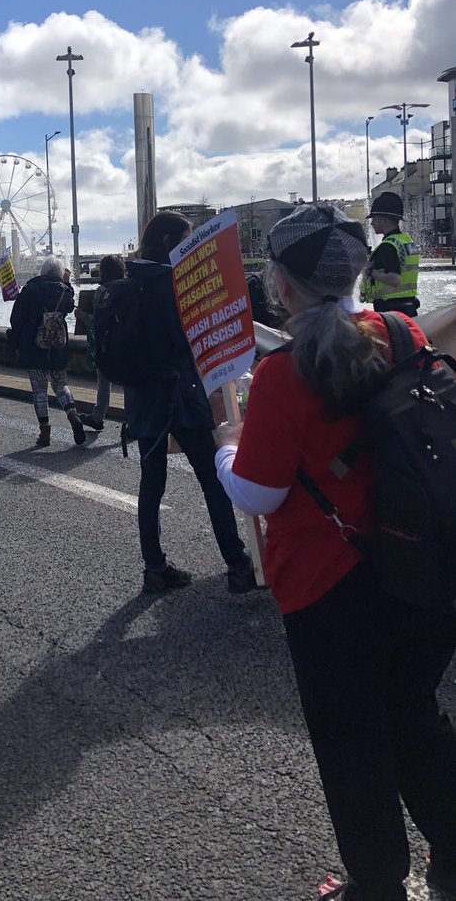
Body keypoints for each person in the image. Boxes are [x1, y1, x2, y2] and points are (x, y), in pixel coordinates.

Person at [214, 202, 456, 901]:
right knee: (415, 715)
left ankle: (377, 883)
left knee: (351, 738)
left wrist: (228, 447)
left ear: (281, 287)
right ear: (356, 270)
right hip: (422, 564)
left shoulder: (285, 376)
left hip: (329, 584)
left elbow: (258, 495)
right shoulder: (403, 332)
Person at [124, 213, 255, 594]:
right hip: (177, 396)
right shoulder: (170, 283)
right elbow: (186, 341)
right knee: (213, 478)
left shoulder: (131, 280)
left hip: (143, 399)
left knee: (152, 485)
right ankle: (237, 563)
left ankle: (154, 568)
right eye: (184, 240)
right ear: (168, 242)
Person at [8, 255, 86, 447]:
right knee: (61, 384)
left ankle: (44, 433)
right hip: (58, 346)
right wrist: (67, 284)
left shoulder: (29, 290)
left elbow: (16, 319)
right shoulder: (64, 291)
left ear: (42, 271)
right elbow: (69, 306)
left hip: (34, 347)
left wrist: (16, 339)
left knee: (40, 390)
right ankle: (73, 415)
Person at [74, 253, 125, 431]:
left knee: (104, 380)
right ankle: (133, 421)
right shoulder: (127, 287)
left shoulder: (102, 292)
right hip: (126, 339)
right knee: (129, 380)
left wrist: (82, 316)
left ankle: (98, 417)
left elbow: (97, 321)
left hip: (106, 342)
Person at [361, 191, 420, 317]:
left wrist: (371, 272)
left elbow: (395, 279)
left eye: (374, 219)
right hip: (409, 309)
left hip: (392, 313)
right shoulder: (406, 241)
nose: (371, 224)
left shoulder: (388, 246)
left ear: (383, 219)